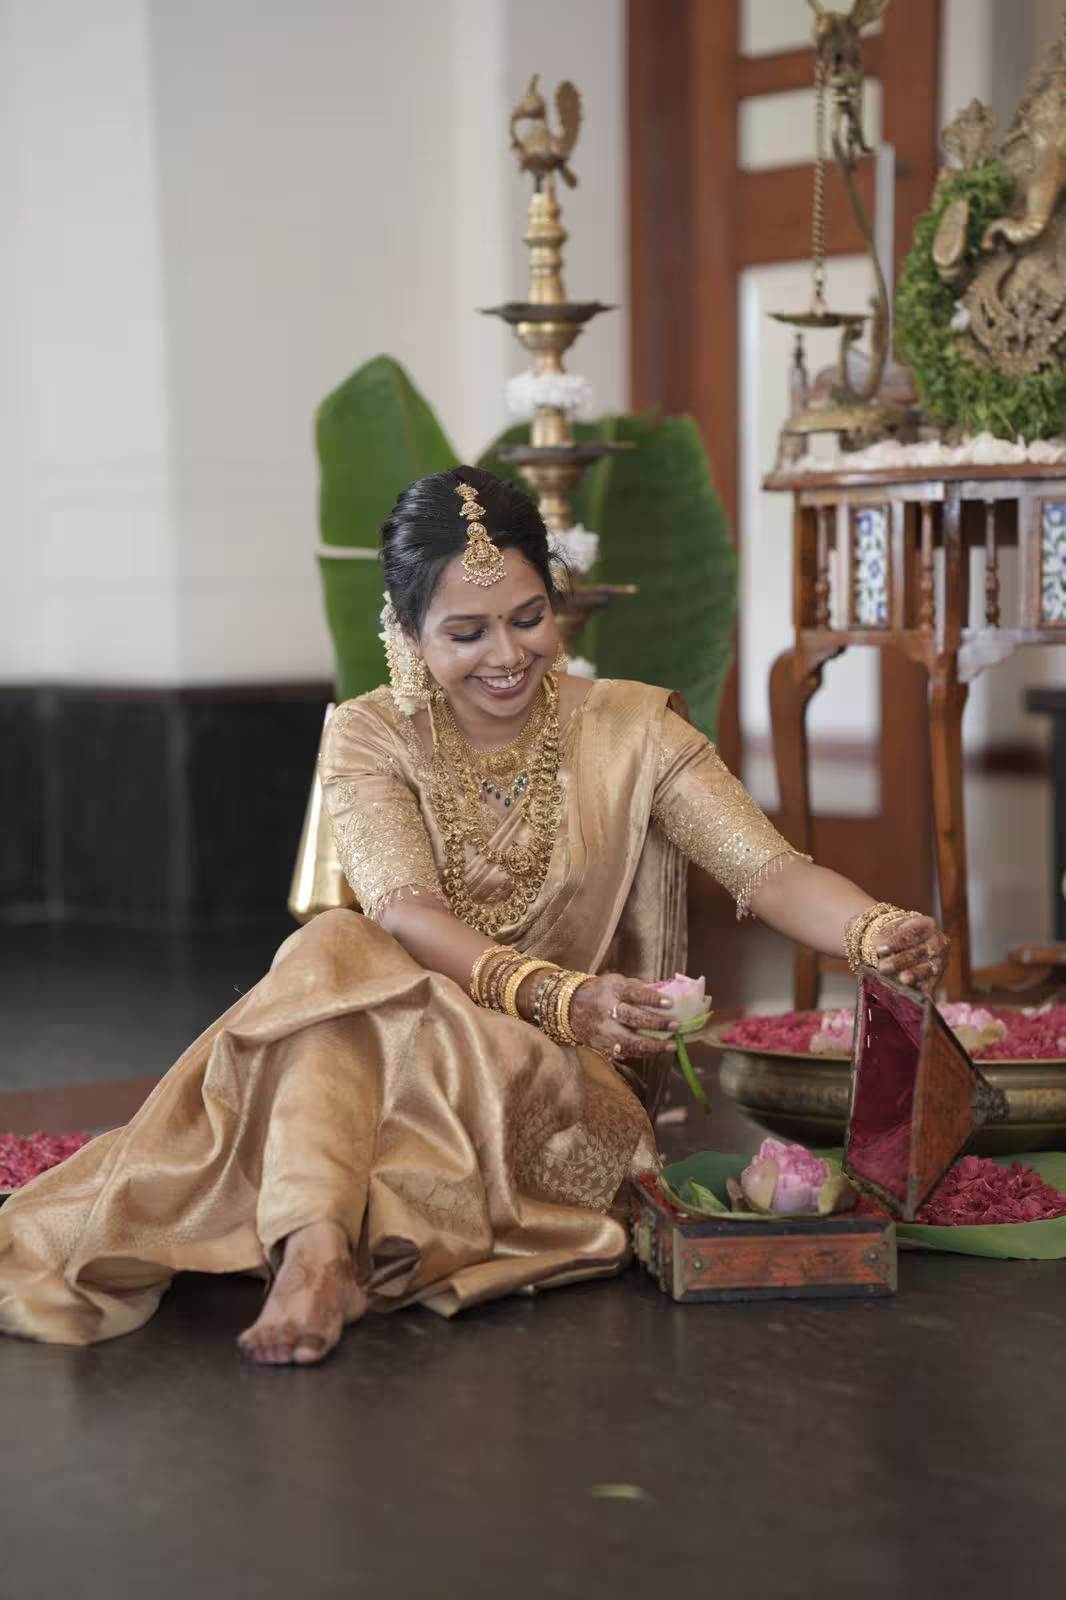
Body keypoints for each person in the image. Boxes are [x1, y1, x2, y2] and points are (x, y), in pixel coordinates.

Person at [0, 468, 948, 1362]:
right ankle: (319, 1253)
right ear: (406, 636)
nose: (508, 655)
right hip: (435, 1028)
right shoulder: (370, 734)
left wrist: (874, 931)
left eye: (529, 619)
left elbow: (770, 871)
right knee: (338, 948)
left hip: (564, 1081)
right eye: (467, 633)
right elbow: (404, 913)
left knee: (333, 1012)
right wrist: (557, 990)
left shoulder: (633, 729)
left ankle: (316, 1250)